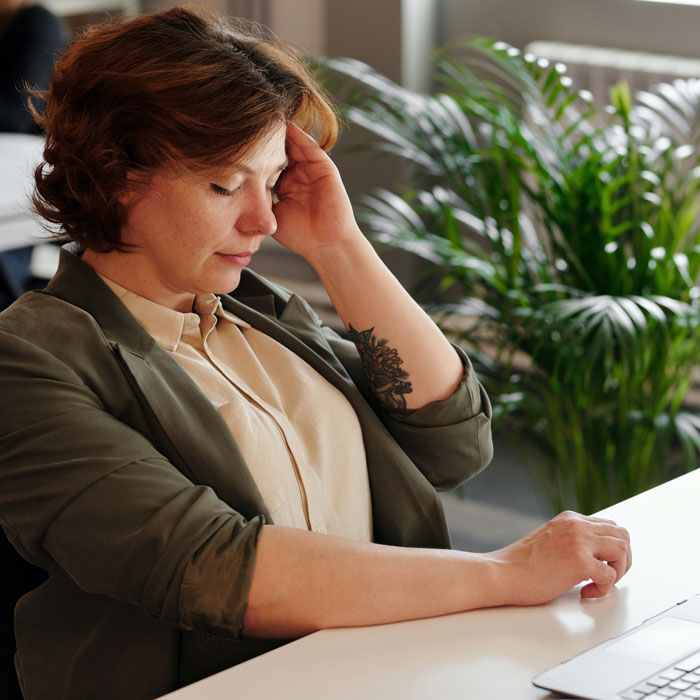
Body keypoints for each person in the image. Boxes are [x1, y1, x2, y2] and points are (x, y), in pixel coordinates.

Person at [0, 7, 632, 700]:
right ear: (115, 172)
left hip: (390, 668)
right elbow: (212, 565)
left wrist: (339, 246)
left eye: (270, 181)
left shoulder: (259, 312)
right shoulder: (28, 359)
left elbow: (452, 443)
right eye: (223, 184)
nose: (264, 221)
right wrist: (507, 574)